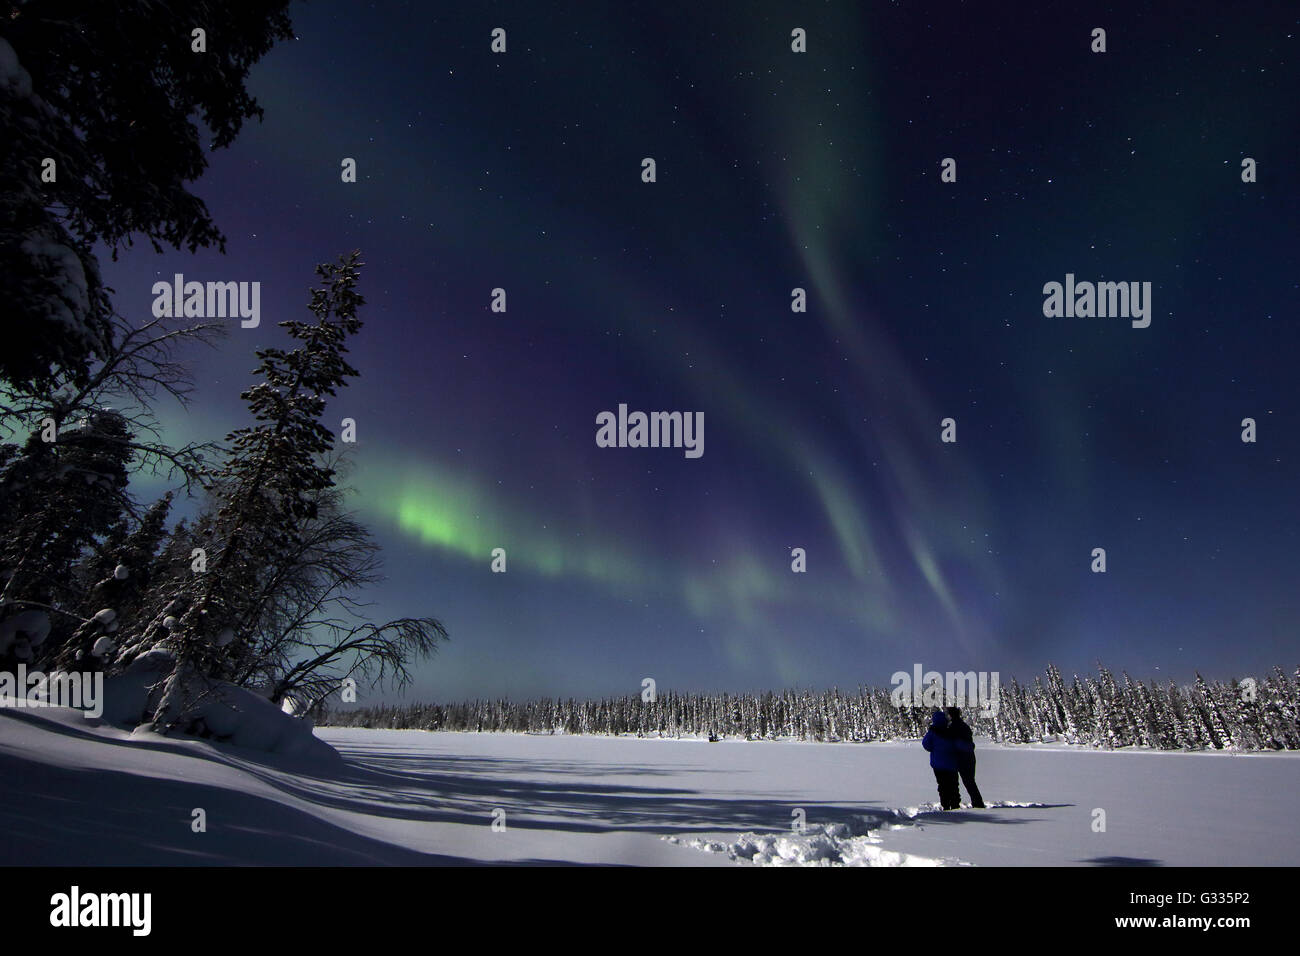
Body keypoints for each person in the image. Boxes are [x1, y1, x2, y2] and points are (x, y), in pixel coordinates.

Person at [946, 706, 986, 808]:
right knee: (970, 782)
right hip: (970, 757)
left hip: (961, 758)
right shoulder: (963, 726)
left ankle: (977, 804)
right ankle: (977, 802)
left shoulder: (953, 727)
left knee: (965, 782)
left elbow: (951, 742)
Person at [921, 710, 961, 810]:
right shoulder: (950, 730)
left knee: (943, 786)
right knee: (954, 786)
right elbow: (957, 744)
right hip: (952, 764)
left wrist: (934, 749)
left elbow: (926, 744)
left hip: (938, 765)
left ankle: (946, 805)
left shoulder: (932, 731)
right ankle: (955, 805)